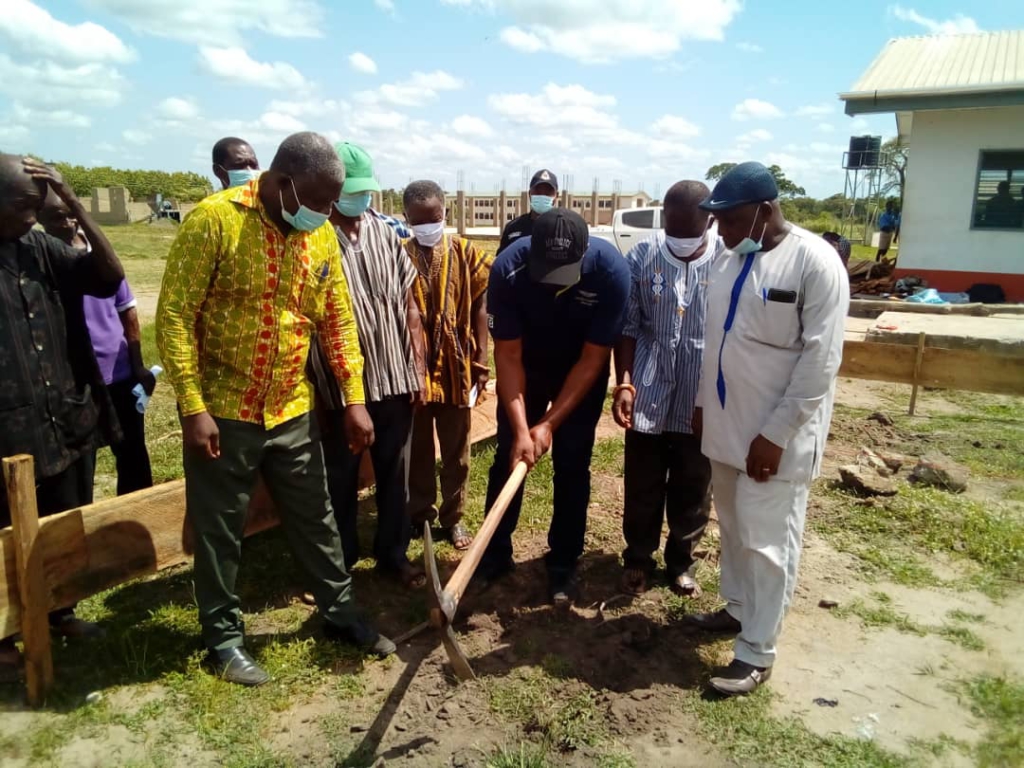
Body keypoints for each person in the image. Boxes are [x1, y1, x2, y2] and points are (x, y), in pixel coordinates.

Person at [156, 132, 395, 687]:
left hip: (291, 407)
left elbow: (337, 323)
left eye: (332, 204)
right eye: (317, 201)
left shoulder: (320, 240)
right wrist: (192, 407)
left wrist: (354, 399)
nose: (325, 213)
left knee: (316, 516)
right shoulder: (214, 222)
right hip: (225, 410)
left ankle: (339, 613)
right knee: (221, 529)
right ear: (283, 183)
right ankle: (224, 640)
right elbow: (174, 317)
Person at [687, 162, 849, 696]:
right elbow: (716, 342)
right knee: (733, 531)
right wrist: (702, 403)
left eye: (730, 221)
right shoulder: (731, 260)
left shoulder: (815, 263)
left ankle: (757, 651)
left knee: (767, 542)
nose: (721, 232)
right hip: (727, 428)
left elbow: (820, 362)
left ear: (765, 210)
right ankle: (737, 611)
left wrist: (777, 433)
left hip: (774, 441)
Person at [0, 155, 125, 678]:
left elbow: (107, 277)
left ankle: (59, 611)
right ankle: (5, 636)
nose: (33, 216)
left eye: (39, 206)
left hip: (63, 415)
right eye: (24, 207)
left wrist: (74, 200)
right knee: (5, 530)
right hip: (8, 425)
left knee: (62, 517)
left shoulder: (40, 248)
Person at [480, 208, 630, 604]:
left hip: (579, 371)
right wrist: (520, 428)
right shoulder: (508, 269)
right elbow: (508, 358)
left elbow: (594, 360)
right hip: (525, 366)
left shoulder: (611, 272)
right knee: (508, 459)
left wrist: (548, 424)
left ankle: (563, 562)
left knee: (572, 463)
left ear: (583, 256)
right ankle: (493, 555)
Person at [309, 143, 427, 588]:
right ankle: (342, 557)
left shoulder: (385, 233)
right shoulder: (313, 239)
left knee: (394, 471)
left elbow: (411, 306)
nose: (361, 201)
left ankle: (393, 554)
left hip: (394, 376)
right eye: (352, 192)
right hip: (341, 385)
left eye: (365, 192)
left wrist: (416, 365)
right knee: (339, 473)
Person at [612, 181, 722, 597]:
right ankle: (638, 557)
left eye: (688, 231)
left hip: (700, 397)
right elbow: (627, 326)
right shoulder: (643, 255)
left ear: (709, 221)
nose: (678, 239)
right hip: (648, 391)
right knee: (642, 482)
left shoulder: (726, 261)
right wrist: (624, 381)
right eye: (671, 229)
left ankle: (681, 562)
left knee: (694, 483)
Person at [38, 190, 156, 495]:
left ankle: (137, 516)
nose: (65, 223)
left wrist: (137, 364)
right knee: (79, 464)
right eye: (55, 217)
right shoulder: (41, 262)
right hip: (76, 384)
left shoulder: (101, 259)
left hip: (117, 374)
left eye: (69, 213)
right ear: (38, 219)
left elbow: (127, 312)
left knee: (132, 455)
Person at [403, 181, 492, 550]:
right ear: (407, 218)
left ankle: (454, 517)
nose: (428, 225)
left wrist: (482, 357)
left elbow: (480, 305)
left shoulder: (466, 252)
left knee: (456, 450)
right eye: (419, 220)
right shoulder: (400, 254)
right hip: (414, 370)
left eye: (435, 218)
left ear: (445, 214)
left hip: (457, 367)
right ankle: (421, 513)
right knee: (419, 448)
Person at [497, 169, 558, 253]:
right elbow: (502, 261)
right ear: (529, 194)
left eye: (548, 192)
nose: (542, 196)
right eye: (538, 191)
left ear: (556, 196)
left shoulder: (563, 228)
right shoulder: (513, 227)